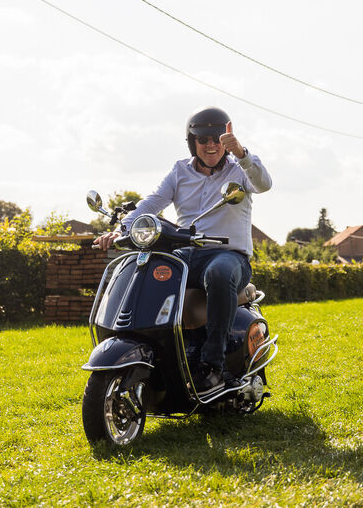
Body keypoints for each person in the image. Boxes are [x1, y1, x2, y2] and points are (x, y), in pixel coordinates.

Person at [94, 107, 272, 395]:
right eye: (203, 139)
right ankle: (154, 354)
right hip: (187, 254)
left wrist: (242, 152)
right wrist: (122, 229)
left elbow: (264, 184)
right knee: (148, 274)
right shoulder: (180, 171)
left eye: (217, 138)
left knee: (219, 272)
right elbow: (152, 203)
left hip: (230, 256)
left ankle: (213, 367)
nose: (211, 144)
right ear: (193, 142)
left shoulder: (240, 169)